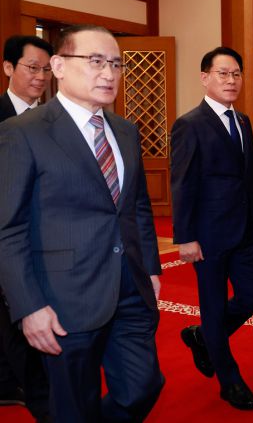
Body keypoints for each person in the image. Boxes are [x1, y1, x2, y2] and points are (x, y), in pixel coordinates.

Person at [0, 24, 164, 422]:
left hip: (130, 288)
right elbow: (8, 229)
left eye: (116, 64)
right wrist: (28, 306)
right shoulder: (22, 133)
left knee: (142, 387)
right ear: (58, 66)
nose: (109, 73)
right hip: (63, 298)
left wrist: (151, 268)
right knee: (74, 407)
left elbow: (137, 207)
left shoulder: (125, 131)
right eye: (95, 61)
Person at [170, 46, 253, 411]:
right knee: (213, 308)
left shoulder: (242, 120)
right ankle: (230, 382)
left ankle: (202, 338)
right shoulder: (190, 124)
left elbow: (249, 176)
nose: (231, 80)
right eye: (223, 73)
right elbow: (181, 183)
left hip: (242, 230)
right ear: (205, 78)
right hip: (208, 234)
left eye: (236, 74)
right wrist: (185, 237)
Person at [0, 35, 52, 422]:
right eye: (32, 67)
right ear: (8, 67)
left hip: (43, 239)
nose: (41, 76)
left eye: (46, 69)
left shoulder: (52, 121)